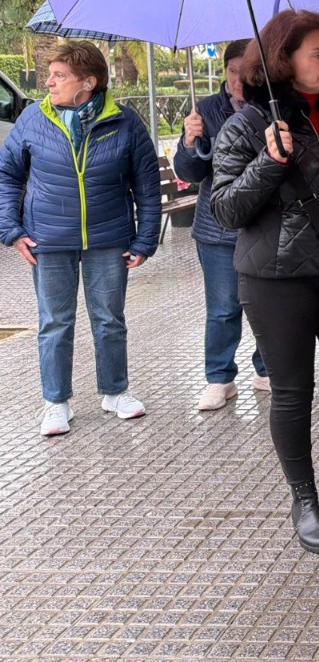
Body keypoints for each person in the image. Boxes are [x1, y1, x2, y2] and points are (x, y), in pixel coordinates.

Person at [209, 9, 319, 554]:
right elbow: (224, 210)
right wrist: (269, 160)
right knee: (292, 393)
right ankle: (304, 498)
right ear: (284, 59)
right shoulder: (245, 124)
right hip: (275, 279)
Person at [0, 41, 159, 437]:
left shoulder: (125, 121)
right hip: (48, 240)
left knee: (109, 320)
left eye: (59, 76)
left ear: (88, 82)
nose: (48, 82)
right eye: (50, 75)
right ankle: (56, 403)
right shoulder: (33, 119)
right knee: (54, 323)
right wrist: (11, 230)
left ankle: (115, 392)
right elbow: (7, 175)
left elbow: (148, 186)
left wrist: (145, 241)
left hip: (108, 238)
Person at [174, 39, 271, 411]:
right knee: (223, 307)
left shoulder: (272, 106)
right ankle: (219, 378)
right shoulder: (205, 110)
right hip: (216, 228)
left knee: (264, 304)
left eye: (244, 72)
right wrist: (189, 140)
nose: (237, 79)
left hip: (262, 223)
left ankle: (265, 369)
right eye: (231, 71)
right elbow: (190, 172)